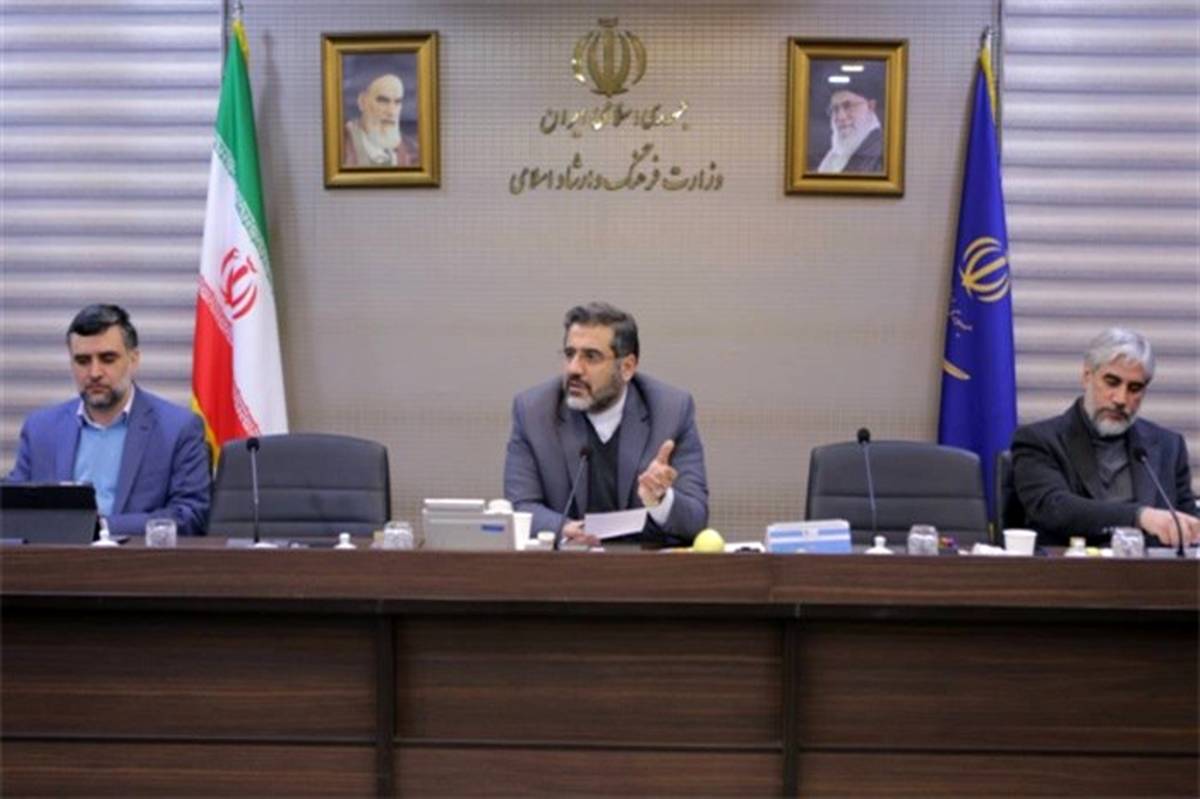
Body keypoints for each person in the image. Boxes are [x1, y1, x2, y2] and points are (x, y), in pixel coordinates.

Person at [504, 302, 709, 547]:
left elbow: (695, 520)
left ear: (627, 367)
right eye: (570, 354)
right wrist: (564, 529)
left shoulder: (670, 411)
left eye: (591, 357)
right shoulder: (534, 412)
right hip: (566, 566)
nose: (574, 369)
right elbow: (520, 508)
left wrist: (660, 499)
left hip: (644, 566)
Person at [7, 304, 211, 536]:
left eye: (107, 359)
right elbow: (12, 508)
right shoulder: (41, 429)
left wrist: (100, 528)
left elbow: (190, 515)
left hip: (136, 556)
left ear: (133, 360)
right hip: (57, 557)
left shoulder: (178, 429)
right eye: (83, 361)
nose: (94, 372)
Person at [1012, 328, 1198, 548]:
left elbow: (1188, 524)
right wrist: (1139, 516)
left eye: (1135, 388)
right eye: (1112, 382)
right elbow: (1054, 508)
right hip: (1070, 567)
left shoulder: (1168, 447)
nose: (1121, 399)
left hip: (1148, 569)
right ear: (1087, 376)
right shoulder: (1039, 441)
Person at [813, 68, 885, 174]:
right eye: (835, 109)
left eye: (848, 106)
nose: (840, 117)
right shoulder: (833, 154)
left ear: (870, 106)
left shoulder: (882, 152)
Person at [342, 72, 418, 168]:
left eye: (397, 102)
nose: (391, 112)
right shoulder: (341, 145)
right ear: (362, 102)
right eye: (383, 101)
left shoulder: (412, 151)